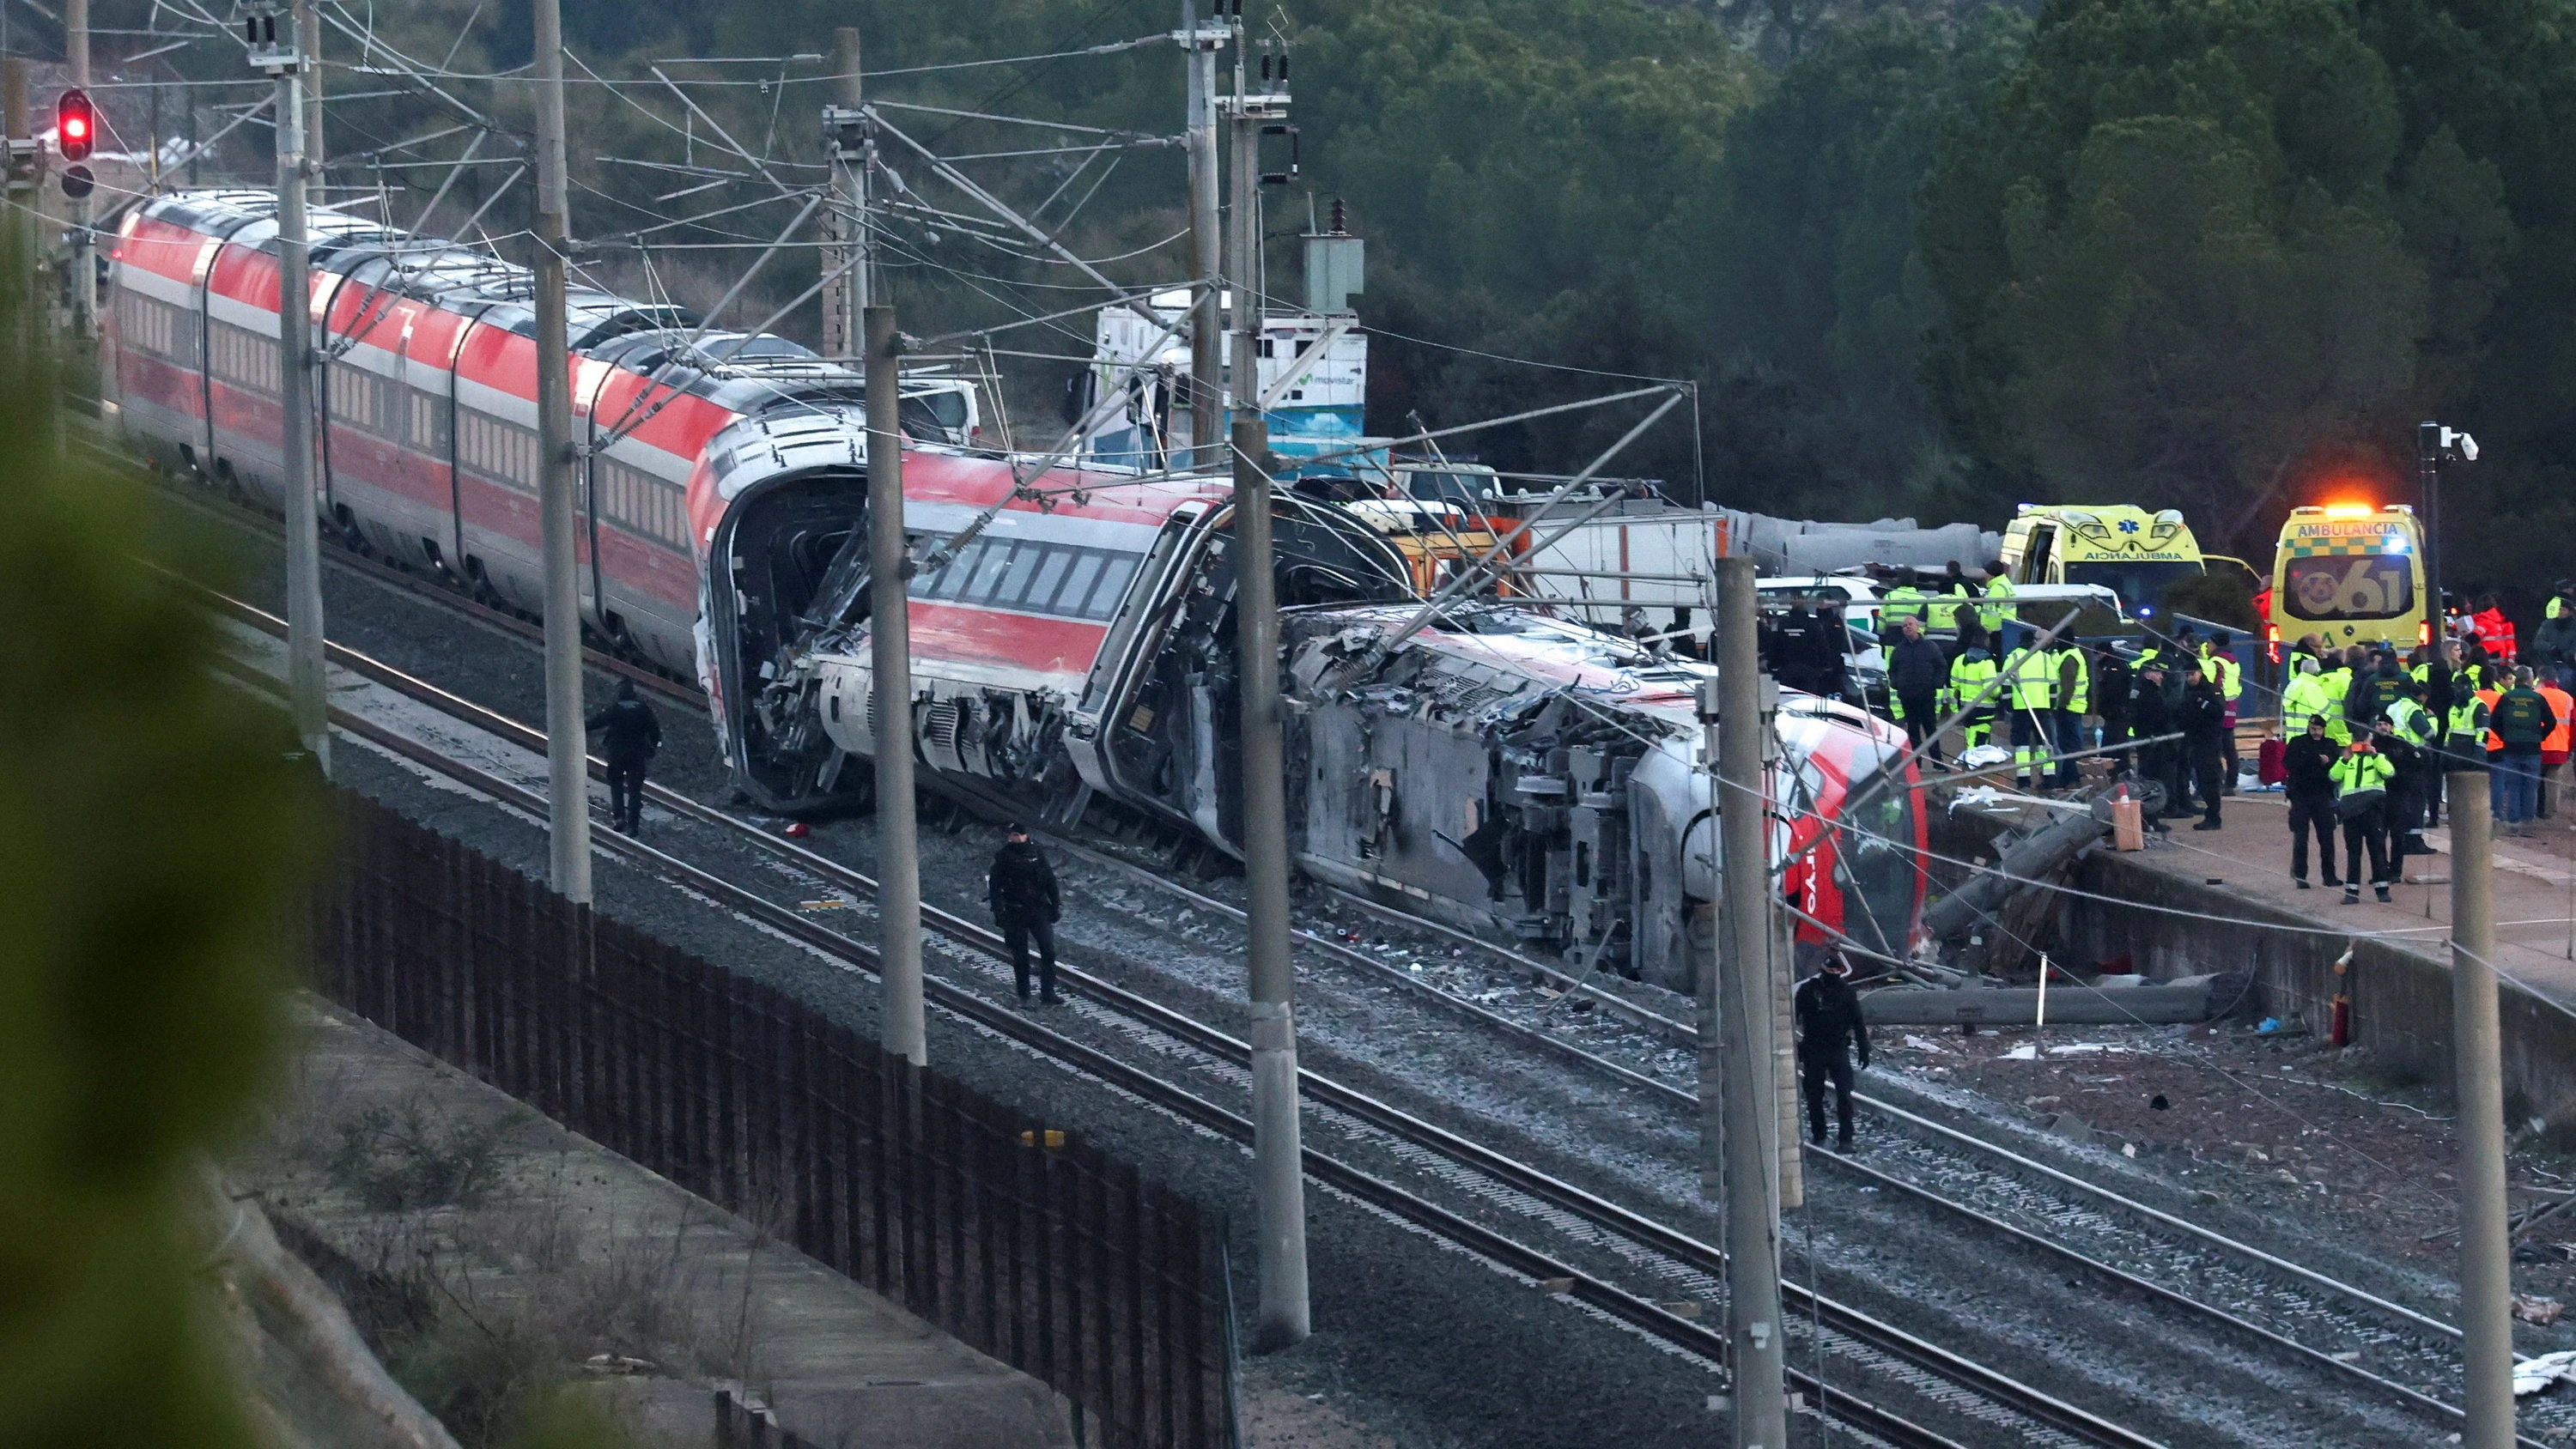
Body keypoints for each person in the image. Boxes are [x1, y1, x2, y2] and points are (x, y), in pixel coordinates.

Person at [1794, 952, 1870, 1151]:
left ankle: (1846, 1139)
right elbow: (1791, 1017)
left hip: (1837, 1050)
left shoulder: (1846, 993)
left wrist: (1864, 1048)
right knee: (1814, 1095)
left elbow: (1858, 1022)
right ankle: (1820, 1135)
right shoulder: (1808, 991)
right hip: (1813, 1049)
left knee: (1845, 1095)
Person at [987, 822, 1063, 1003]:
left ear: (1025, 835)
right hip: (1015, 911)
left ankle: (1048, 992)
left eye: (1018, 834)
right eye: (1012, 835)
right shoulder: (1003, 856)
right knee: (1021, 957)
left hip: (1038, 910)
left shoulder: (1037, 853)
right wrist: (999, 912)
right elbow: (995, 887)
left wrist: (1055, 904)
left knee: (1049, 951)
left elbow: (1050, 880)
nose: (1015, 838)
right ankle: (1025, 996)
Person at [584, 678, 662, 834]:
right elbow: (654, 731)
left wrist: (582, 726)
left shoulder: (615, 709)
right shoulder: (643, 709)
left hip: (617, 753)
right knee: (635, 790)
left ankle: (619, 818)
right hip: (637, 754)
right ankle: (633, 825)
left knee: (616, 785)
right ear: (633, 693)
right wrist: (653, 746)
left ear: (619, 693)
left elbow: (598, 722)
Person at [2492, 667, 2559, 834]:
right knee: (2530, 787)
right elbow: (2551, 722)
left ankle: (2513, 824)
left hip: (2511, 747)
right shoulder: (2537, 699)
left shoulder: (2506, 698)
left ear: (2516, 679)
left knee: (2513, 786)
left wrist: (2504, 736)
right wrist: (2540, 736)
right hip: (2532, 748)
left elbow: (2494, 722)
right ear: (2530, 680)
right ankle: (2527, 824)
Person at [2332, 733, 2397, 903]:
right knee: (2353, 852)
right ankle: (2352, 892)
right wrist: (2344, 760)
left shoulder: (2378, 758)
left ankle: (2382, 890)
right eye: (2358, 742)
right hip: (2351, 812)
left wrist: (2374, 755)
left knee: (2377, 850)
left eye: (2364, 742)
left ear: (2370, 742)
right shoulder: (2347, 760)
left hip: (2372, 810)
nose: (2361, 746)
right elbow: (2333, 776)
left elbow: (2389, 773)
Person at [2282, 714, 2340, 890]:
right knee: (2301, 837)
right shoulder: (2297, 743)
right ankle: (2300, 875)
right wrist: (2316, 760)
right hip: (2300, 795)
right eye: (2314, 729)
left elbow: (2337, 766)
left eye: (2319, 729)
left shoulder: (2330, 744)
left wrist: (2327, 762)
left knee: (2327, 838)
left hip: (2322, 795)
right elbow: (2288, 763)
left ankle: (2329, 876)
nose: (2316, 732)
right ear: (2309, 727)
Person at [2383, 681, 2437, 854]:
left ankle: (2401, 838)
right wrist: (2432, 718)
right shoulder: (2413, 709)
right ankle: (2414, 840)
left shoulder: (2393, 706)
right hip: (2414, 758)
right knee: (2417, 799)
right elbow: (2429, 733)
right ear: (2422, 696)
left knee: (2401, 800)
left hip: (2394, 756)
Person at [1887, 615, 1949, 763]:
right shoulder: (1899, 650)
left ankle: (1938, 762)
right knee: (1913, 731)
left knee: (1930, 729)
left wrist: (1936, 683)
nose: (1907, 627)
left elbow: (1942, 666)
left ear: (1917, 627)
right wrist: (1896, 683)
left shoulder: (1930, 647)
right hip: (1907, 696)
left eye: (1910, 624)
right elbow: (1892, 670)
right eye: (1904, 626)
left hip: (1926, 695)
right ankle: (1916, 763)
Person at [2004, 632, 2057, 788]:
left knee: (2022, 745)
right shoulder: (2045, 658)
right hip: (2042, 705)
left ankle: (2023, 781)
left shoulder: (2013, 657)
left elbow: (2005, 685)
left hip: (2021, 707)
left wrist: (2008, 706)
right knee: (2044, 742)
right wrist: (2052, 704)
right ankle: (2049, 779)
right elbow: (2053, 685)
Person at [2130, 662, 2179, 830]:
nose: (2161, 677)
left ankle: (2151, 819)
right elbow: (2158, 718)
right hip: (2154, 744)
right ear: (2148, 674)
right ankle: (2151, 819)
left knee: (2151, 779)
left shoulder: (2147, 692)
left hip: (2152, 742)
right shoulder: (2149, 695)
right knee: (2153, 781)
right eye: (2158, 673)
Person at [2180, 663, 2229, 828]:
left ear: (2200, 672)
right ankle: (2211, 815)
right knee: (2201, 778)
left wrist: (2202, 703)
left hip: (2210, 741)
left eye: (2192, 673)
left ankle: (2214, 817)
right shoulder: (2188, 692)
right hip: (2194, 740)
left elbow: (2218, 711)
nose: (2190, 678)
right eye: (2187, 675)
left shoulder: (2211, 690)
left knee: (2210, 779)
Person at [2203, 631, 2243, 794]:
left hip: (2218, 708)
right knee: (2230, 748)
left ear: (2216, 645)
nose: (2207, 646)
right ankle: (2231, 783)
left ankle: (2218, 781)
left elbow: (2213, 684)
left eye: (2209, 643)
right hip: (2231, 706)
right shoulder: (2234, 662)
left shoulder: (2215, 661)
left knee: (2215, 747)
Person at [1949, 635, 2000, 751]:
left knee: (1970, 736)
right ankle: (1975, 765)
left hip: (1965, 706)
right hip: (1984, 708)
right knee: (1980, 739)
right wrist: (1998, 695)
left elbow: (1954, 684)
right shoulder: (1987, 663)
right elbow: (1991, 688)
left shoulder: (1960, 660)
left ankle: (1969, 760)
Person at [2093, 645, 2135, 773]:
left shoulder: (2114, 668)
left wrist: (2109, 709)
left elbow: (2112, 692)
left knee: (2114, 748)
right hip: (2115, 714)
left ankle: (2118, 774)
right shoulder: (2113, 666)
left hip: (2117, 714)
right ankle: (2119, 773)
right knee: (2116, 747)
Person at [2540, 670, 2574, 819]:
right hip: (2560, 745)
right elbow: (2573, 725)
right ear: (2557, 680)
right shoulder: (2567, 698)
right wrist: (2570, 747)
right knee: (2553, 781)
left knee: (2534, 779)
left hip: (2539, 743)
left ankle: (2533, 810)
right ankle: (2550, 811)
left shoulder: (2536, 693)